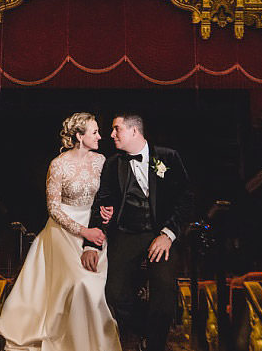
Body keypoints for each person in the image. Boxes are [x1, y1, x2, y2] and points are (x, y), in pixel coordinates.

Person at [0, 113, 122, 351]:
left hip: (95, 227)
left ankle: (94, 343)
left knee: (93, 289)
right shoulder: (58, 164)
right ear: (79, 136)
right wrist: (83, 231)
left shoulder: (101, 161)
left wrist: (107, 211)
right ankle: (68, 341)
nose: (100, 136)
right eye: (94, 132)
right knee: (79, 283)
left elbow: (108, 195)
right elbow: (53, 208)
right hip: (64, 229)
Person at [82, 114, 193, 351]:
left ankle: (154, 345)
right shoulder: (113, 164)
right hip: (127, 233)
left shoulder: (168, 157)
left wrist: (168, 234)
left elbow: (186, 198)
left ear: (134, 131)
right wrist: (91, 243)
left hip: (161, 234)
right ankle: (147, 331)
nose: (111, 134)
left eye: (116, 129)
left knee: (164, 294)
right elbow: (101, 202)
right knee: (114, 294)